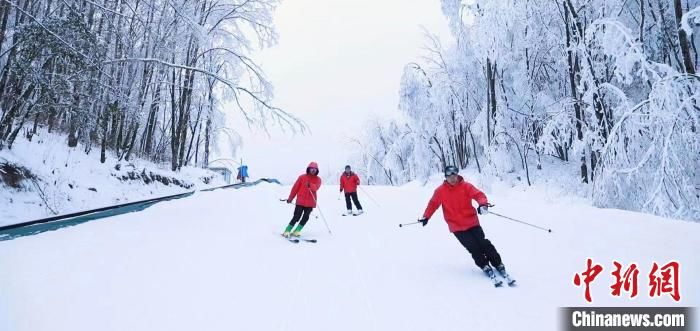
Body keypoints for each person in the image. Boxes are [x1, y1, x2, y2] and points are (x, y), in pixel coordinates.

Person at [419, 165, 510, 281]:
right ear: (446, 177)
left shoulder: (466, 186)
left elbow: (479, 195)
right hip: (456, 226)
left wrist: (483, 204)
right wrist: (426, 216)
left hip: (472, 221)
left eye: (454, 175)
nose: (452, 178)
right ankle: (484, 265)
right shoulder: (440, 191)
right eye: (449, 176)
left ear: (457, 175)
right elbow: (433, 204)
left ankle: (498, 264)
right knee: (473, 247)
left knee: (483, 243)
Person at [283, 162, 322, 238]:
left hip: (310, 202)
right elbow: (295, 188)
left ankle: (297, 231)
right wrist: (290, 198)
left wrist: (310, 185)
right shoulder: (302, 177)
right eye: (311, 169)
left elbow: (316, 188)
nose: (313, 171)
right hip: (300, 201)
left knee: (306, 217)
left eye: (315, 169)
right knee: (297, 216)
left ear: (317, 170)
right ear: (308, 169)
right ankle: (287, 230)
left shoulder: (318, 179)